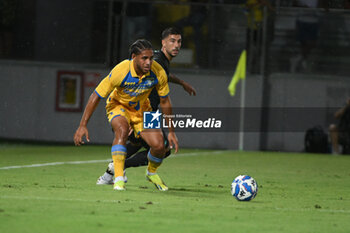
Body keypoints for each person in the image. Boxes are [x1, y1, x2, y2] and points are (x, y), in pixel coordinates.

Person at [74, 39, 179, 191]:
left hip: (145, 108)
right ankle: (118, 179)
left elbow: (165, 101)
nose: (149, 62)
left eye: (150, 58)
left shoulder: (158, 71)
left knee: (160, 146)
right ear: (133, 57)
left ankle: (151, 173)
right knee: (122, 130)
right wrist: (82, 125)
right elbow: (96, 95)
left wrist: (171, 132)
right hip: (118, 106)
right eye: (144, 58)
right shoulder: (121, 71)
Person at [96, 27, 197, 185]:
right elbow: (141, 83)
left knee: (138, 143)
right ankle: (118, 169)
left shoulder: (159, 61)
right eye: (172, 41)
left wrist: (182, 83)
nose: (176, 45)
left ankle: (110, 173)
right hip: (143, 110)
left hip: (149, 110)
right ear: (163, 43)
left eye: (179, 41)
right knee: (163, 148)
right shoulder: (155, 60)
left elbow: (165, 76)